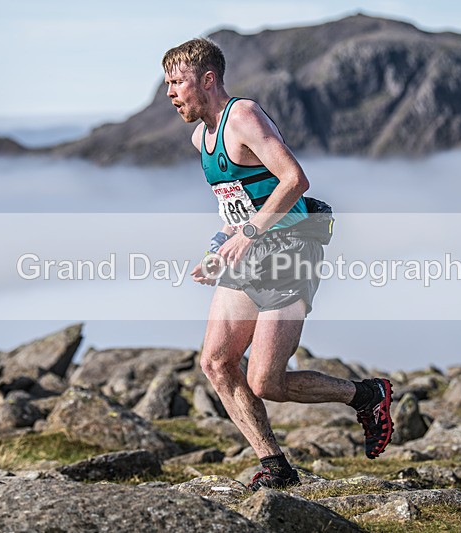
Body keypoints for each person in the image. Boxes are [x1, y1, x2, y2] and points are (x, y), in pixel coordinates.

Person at [162, 38, 394, 490]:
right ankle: (276, 466)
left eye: (177, 82)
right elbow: (235, 208)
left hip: (292, 250)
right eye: (167, 83)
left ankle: (368, 396)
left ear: (207, 80)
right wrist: (217, 247)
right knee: (215, 362)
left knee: (266, 380)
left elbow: (295, 179)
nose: (170, 93)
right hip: (250, 251)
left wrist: (249, 234)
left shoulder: (243, 116)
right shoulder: (200, 138)